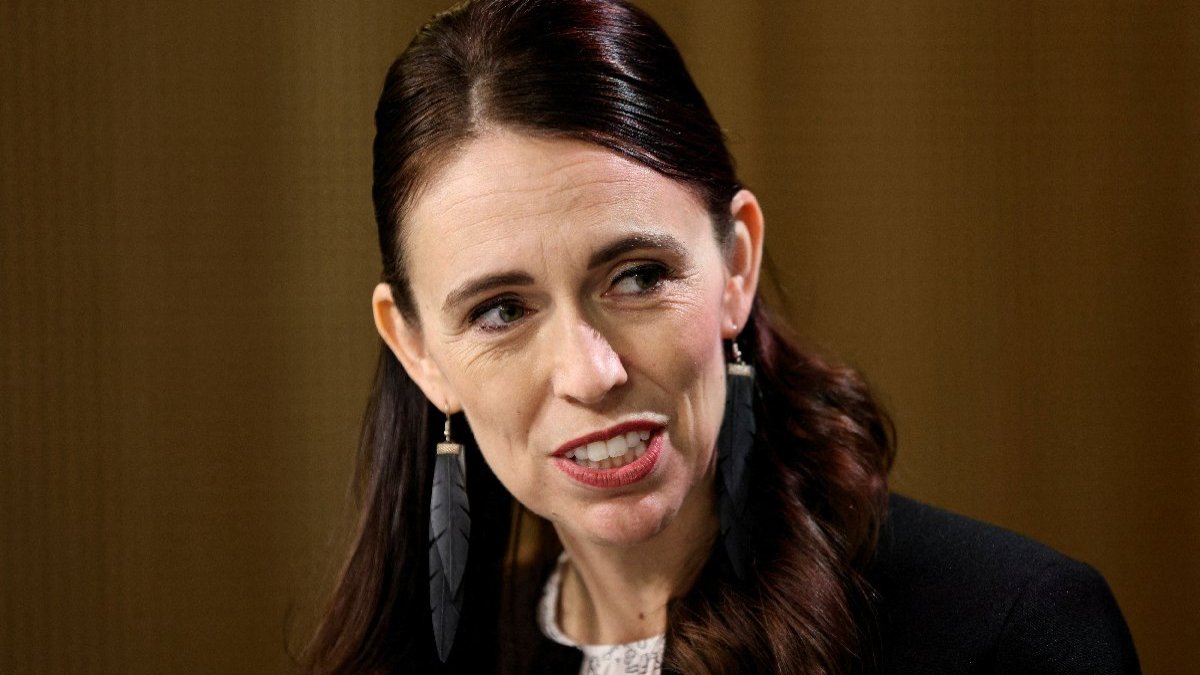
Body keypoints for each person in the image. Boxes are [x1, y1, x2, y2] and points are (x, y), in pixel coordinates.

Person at [305, 1, 1140, 673]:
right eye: (500, 311)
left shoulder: (1007, 631)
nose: (590, 373)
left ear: (736, 264)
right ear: (418, 351)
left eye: (637, 276)